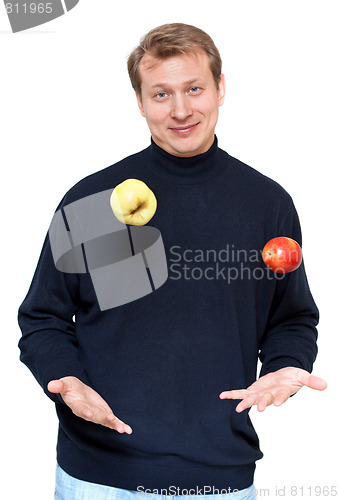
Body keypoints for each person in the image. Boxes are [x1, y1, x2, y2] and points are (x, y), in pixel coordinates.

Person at [18, 23, 327, 500]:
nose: (181, 110)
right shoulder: (95, 202)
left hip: (221, 479)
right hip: (98, 478)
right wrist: (68, 380)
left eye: (194, 88)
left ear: (220, 89)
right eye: (161, 94)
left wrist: (286, 365)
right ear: (140, 102)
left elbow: (292, 317)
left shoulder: (267, 205)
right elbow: (44, 317)